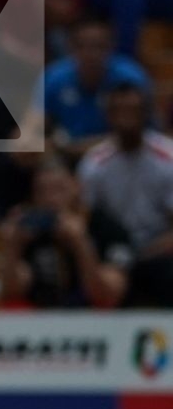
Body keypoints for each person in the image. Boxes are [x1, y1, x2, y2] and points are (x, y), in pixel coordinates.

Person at [0, 157, 135, 308]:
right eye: (41, 191)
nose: (50, 199)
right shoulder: (31, 232)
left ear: (77, 187)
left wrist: (81, 243)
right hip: (44, 315)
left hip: (95, 317)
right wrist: (13, 246)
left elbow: (106, 297)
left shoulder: (108, 229)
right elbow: (11, 293)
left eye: (59, 189)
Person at [78, 82, 173, 286]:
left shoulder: (168, 157)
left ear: (146, 113)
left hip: (159, 250)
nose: (127, 118)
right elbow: (86, 220)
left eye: (133, 110)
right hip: (113, 252)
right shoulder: (94, 163)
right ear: (108, 116)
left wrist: (145, 253)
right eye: (120, 111)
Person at [43, 19, 153, 159]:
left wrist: (81, 147)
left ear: (111, 47)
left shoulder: (130, 79)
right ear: (70, 48)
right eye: (83, 46)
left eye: (99, 46)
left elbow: (143, 132)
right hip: (66, 155)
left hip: (118, 154)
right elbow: (35, 126)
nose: (91, 54)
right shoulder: (54, 78)